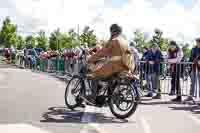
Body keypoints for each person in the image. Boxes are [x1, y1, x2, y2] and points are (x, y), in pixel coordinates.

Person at [87, 24, 134, 103]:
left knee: (94, 75)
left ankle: (93, 98)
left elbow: (102, 52)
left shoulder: (114, 40)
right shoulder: (125, 41)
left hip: (115, 66)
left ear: (113, 31)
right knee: (109, 79)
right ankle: (110, 98)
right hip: (125, 67)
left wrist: (90, 59)